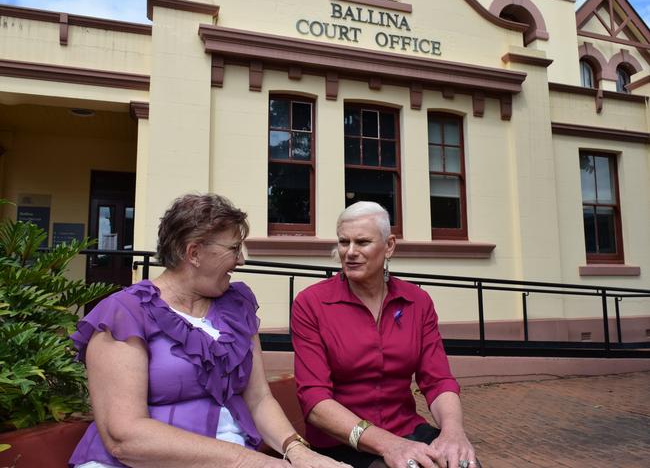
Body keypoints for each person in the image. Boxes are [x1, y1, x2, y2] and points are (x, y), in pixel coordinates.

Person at [69, 193, 350, 468]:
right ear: (194, 253)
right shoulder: (124, 314)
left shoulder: (237, 307)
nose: (241, 260)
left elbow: (259, 398)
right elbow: (124, 437)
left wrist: (297, 451)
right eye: (233, 248)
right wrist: (250, 462)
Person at [291, 202, 479, 468]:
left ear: (389, 246)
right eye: (344, 242)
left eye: (363, 242)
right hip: (344, 442)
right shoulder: (312, 303)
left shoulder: (417, 301)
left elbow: (438, 381)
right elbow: (315, 401)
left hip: (408, 431)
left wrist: (453, 434)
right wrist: (389, 444)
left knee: (465, 463)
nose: (351, 252)